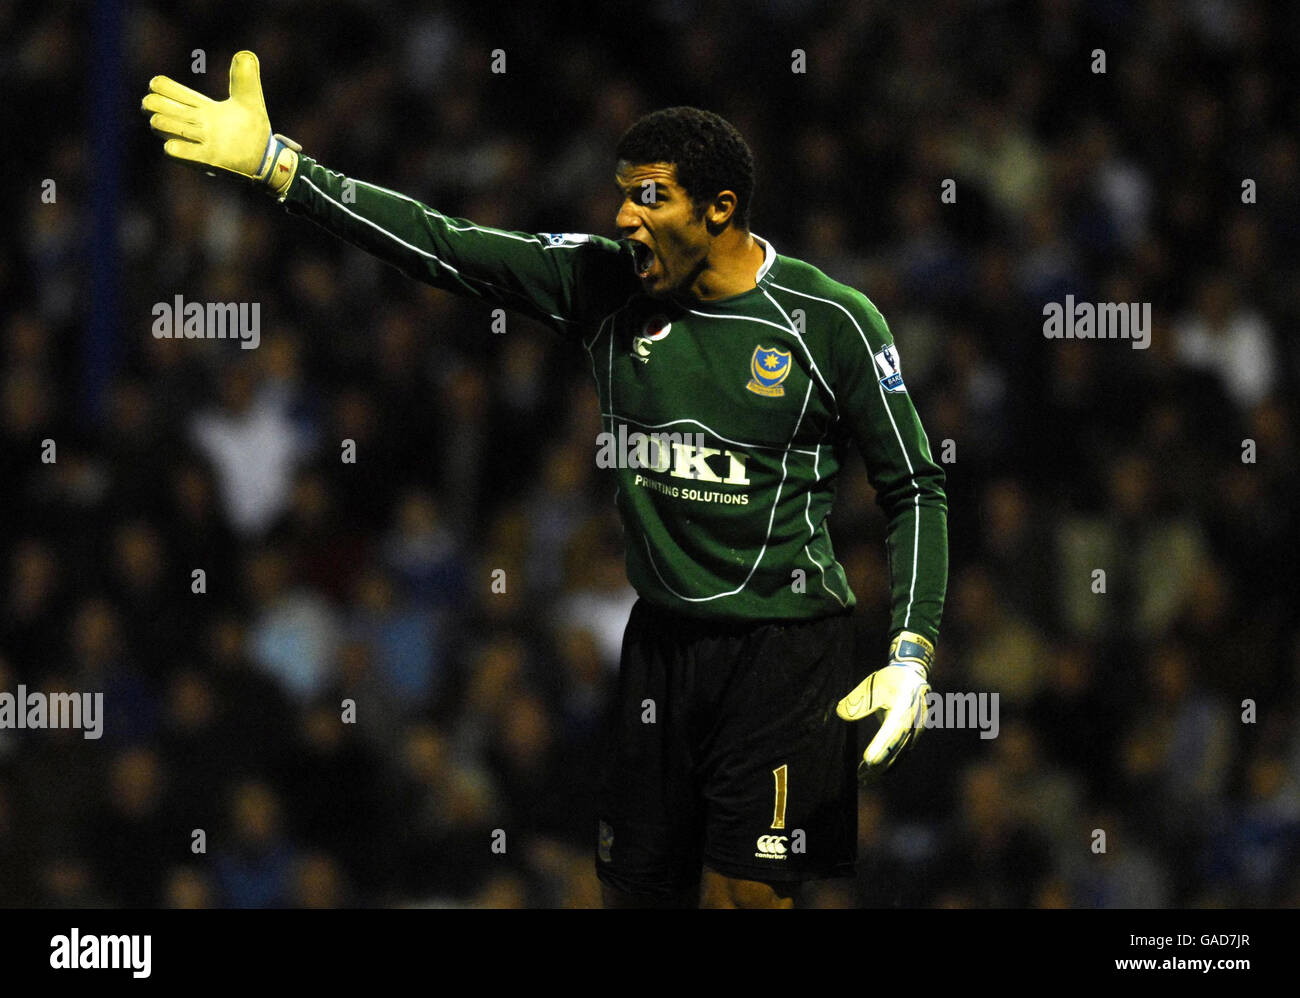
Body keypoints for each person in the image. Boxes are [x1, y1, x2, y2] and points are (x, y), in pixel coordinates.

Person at [141, 51, 948, 909]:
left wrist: (911, 652)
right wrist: (281, 168)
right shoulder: (602, 284)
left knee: (745, 900)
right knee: (633, 895)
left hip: (784, 650)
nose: (624, 218)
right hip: (662, 645)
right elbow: (443, 246)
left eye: (651, 197)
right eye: (622, 193)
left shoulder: (830, 322)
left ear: (720, 210)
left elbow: (915, 487)